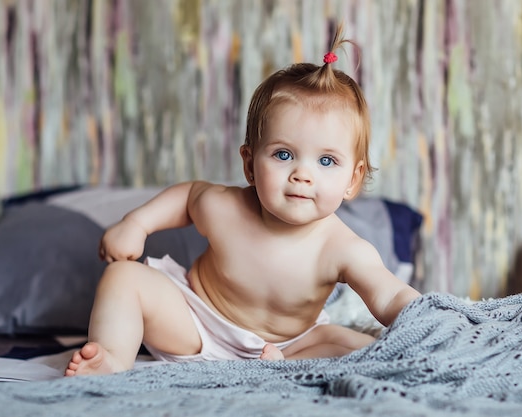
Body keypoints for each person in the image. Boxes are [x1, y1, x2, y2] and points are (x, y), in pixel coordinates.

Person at [65, 24, 421, 377]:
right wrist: (137, 224)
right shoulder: (226, 209)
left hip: (291, 344)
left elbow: (388, 297)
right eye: (283, 155)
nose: (302, 174)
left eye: (326, 161)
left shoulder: (343, 249)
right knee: (124, 276)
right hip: (196, 324)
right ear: (250, 164)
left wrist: (426, 316)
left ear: (352, 180)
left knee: (364, 348)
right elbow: (190, 196)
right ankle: (111, 357)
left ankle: (284, 368)